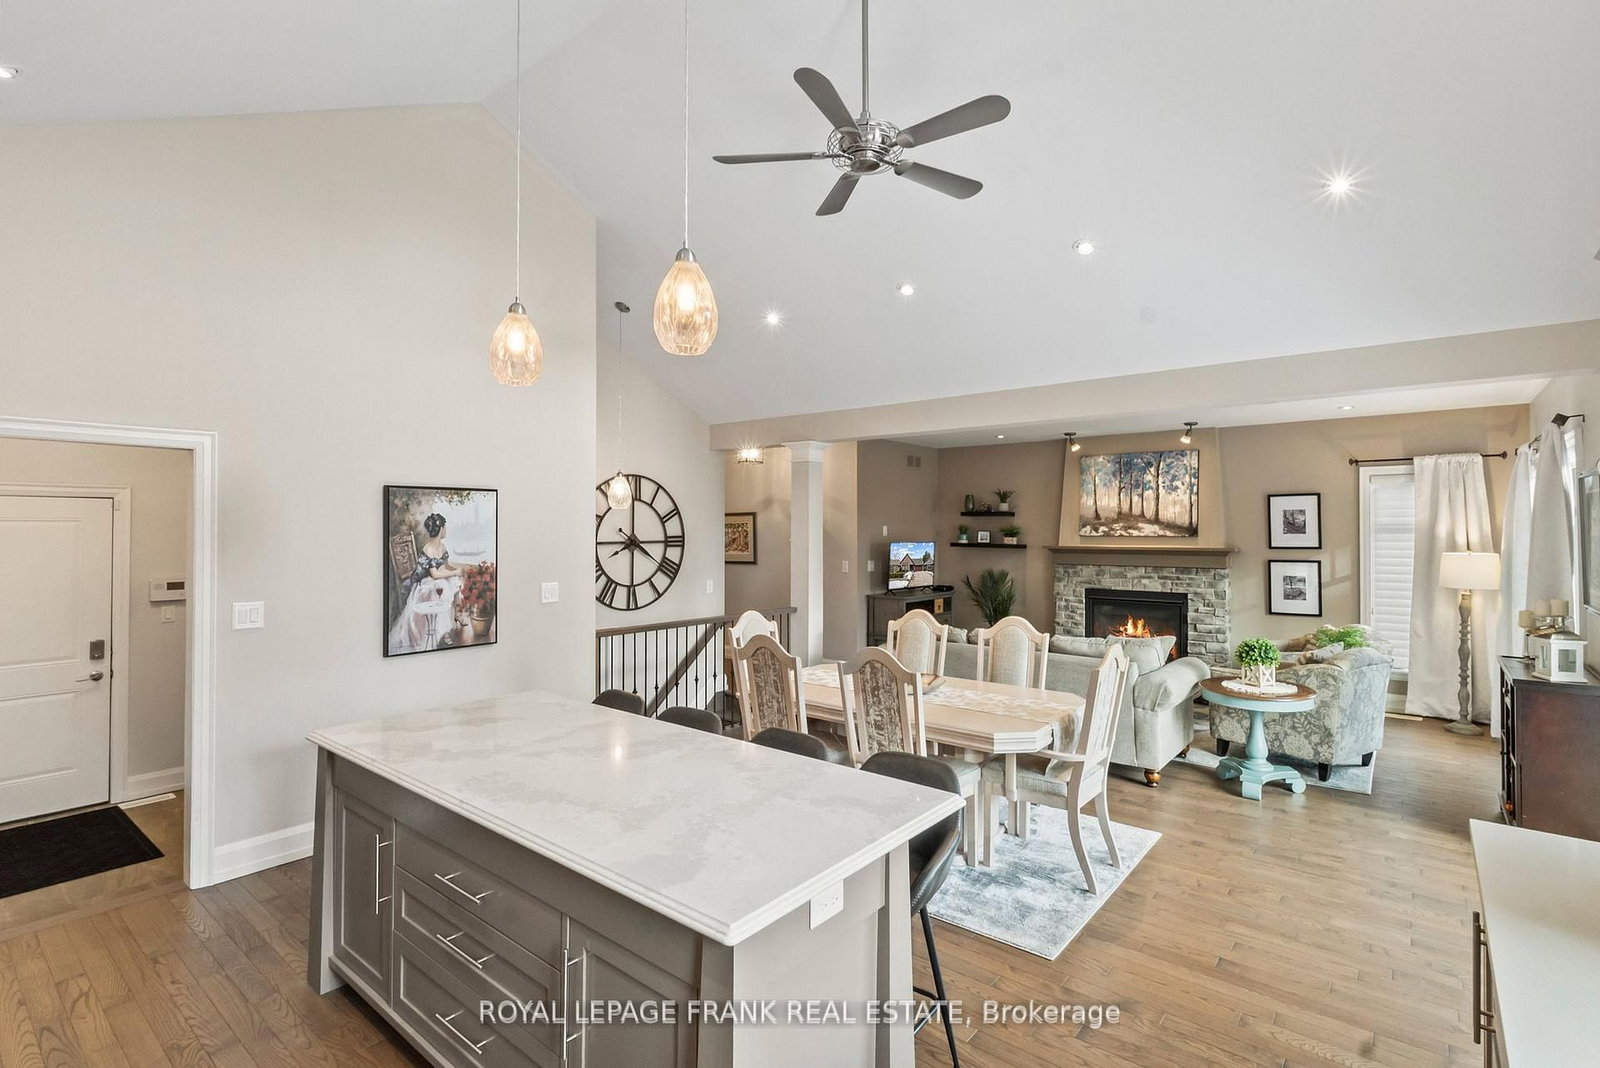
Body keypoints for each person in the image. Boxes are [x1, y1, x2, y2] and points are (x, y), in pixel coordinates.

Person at [387, 513, 464, 653]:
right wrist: (454, 573)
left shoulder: (442, 546)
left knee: (454, 581)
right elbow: (435, 574)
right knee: (442, 586)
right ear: (441, 528)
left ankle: (458, 614)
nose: (446, 530)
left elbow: (445, 566)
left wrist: (457, 571)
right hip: (423, 583)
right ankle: (443, 632)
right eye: (445, 527)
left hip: (435, 580)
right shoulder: (428, 549)